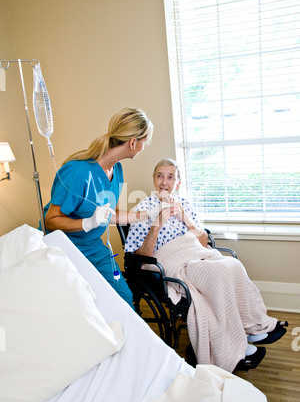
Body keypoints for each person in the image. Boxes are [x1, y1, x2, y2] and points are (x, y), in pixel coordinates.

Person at [124, 158, 288, 372]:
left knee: (233, 265)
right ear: (154, 180)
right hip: (171, 260)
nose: (164, 181)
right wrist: (156, 227)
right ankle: (232, 347)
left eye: (170, 176)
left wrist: (185, 218)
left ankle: (250, 327)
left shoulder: (185, 205)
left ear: (178, 183)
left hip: (196, 252)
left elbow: (203, 241)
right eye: (160, 176)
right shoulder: (142, 209)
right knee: (218, 272)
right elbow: (139, 256)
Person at [43, 108, 153, 310]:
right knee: (87, 305)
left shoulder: (116, 169)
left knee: (124, 299)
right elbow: (51, 219)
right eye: (145, 142)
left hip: (94, 249)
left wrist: (147, 215)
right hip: (67, 250)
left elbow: (112, 214)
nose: (144, 147)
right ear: (133, 142)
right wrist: (87, 223)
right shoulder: (77, 171)